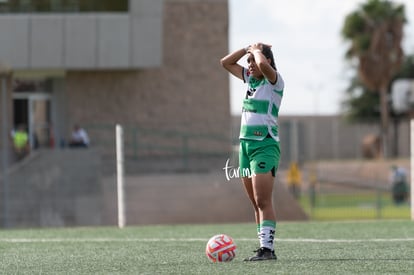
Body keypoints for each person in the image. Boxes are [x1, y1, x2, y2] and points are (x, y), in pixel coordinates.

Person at [220, 42, 284, 261]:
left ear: (266, 60)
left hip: (264, 146)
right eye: (248, 62)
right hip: (245, 147)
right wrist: (247, 48)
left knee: (263, 199)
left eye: (253, 61)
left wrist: (257, 51)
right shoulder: (250, 79)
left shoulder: (274, 81)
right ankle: (262, 247)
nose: (250, 65)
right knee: (255, 202)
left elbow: (263, 65)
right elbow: (225, 63)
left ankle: (268, 250)